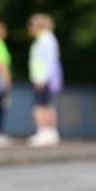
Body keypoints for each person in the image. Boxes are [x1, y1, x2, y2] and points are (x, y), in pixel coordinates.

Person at [27, 13, 63, 147]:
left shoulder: (45, 39)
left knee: (39, 106)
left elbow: (48, 60)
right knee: (47, 104)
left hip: (43, 77)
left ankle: (43, 132)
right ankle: (50, 132)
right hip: (46, 77)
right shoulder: (47, 38)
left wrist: (41, 78)